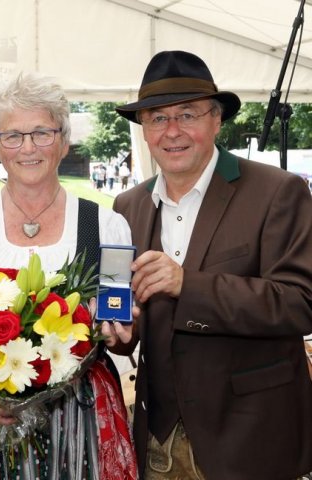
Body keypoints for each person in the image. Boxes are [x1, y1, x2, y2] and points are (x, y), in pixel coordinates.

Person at [103, 50, 312, 479]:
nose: (172, 131)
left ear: (217, 120)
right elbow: (121, 317)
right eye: (158, 118)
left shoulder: (277, 191)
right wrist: (118, 331)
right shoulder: (125, 206)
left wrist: (188, 285)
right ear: (144, 130)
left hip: (250, 442)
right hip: (158, 441)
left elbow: (299, 303)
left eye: (187, 114)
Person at [0, 72, 137, 479]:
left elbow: (118, 319)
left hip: (79, 419)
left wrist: (119, 329)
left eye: (42, 132)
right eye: (13, 136)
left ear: (64, 140)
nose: (28, 148)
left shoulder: (106, 226)